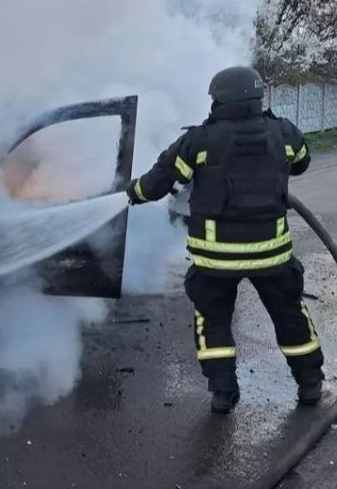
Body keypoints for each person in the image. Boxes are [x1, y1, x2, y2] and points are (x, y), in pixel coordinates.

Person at [126, 66, 324, 414]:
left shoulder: (198, 140)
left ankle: (223, 393)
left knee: (213, 321)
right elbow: (302, 162)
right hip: (271, 255)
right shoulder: (283, 132)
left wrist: (133, 192)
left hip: (215, 260)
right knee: (290, 315)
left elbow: (158, 181)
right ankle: (310, 384)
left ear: (219, 99)